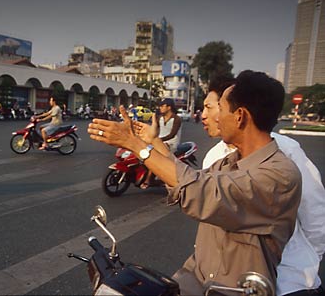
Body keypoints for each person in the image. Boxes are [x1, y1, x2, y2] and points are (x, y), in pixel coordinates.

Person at [87, 70, 302, 294]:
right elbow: (188, 178)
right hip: (193, 279)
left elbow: (202, 191)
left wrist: (137, 146)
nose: (215, 117)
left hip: (229, 291)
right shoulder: (229, 162)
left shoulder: (280, 176)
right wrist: (152, 142)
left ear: (240, 116)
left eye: (221, 108)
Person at [202, 76, 325, 296]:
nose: (205, 115)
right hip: (237, 284)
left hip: (289, 282)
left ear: (238, 113)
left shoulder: (286, 153)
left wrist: (306, 260)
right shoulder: (214, 157)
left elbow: (314, 212)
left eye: (212, 107)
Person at [140, 98, 182, 189]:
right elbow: (154, 130)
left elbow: (172, 134)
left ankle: (148, 180)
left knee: (154, 155)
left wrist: (158, 140)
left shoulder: (177, 119)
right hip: (159, 141)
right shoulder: (160, 118)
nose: (160, 108)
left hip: (171, 143)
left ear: (169, 107)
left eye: (162, 106)